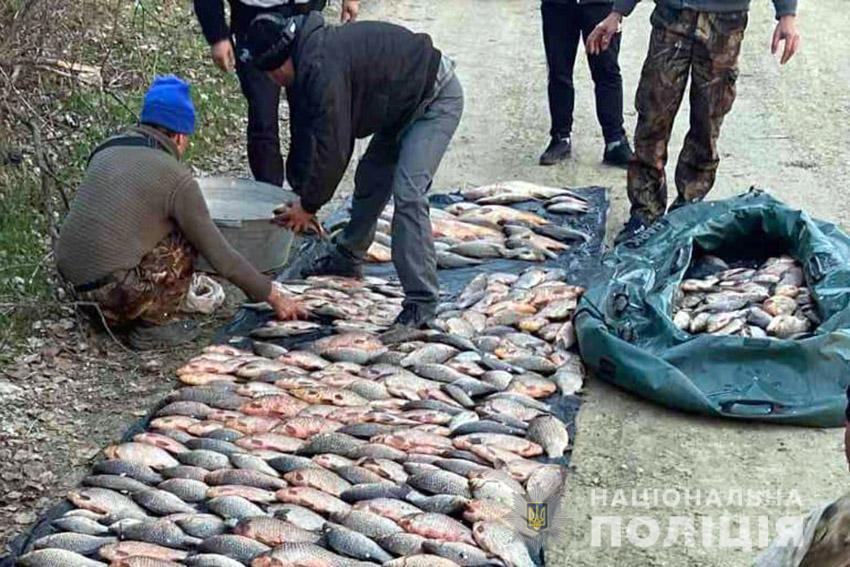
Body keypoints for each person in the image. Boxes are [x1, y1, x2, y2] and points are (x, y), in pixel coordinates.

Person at [243, 12, 463, 330]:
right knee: (371, 179)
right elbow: (315, 135)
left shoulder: (319, 69)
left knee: (409, 194)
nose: (273, 81)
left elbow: (335, 145)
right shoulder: (308, 57)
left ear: (279, 64)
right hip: (399, 108)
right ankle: (347, 255)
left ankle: (422, 303)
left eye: (271, 74)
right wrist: (305, 195)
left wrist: (309, 205)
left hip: (434, 100)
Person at [56, 76, 305, 350]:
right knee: (184, 240)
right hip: (113, 297)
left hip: (73, 287)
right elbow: (220, 255)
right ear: (179, 136)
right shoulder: (175, 177)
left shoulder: (106, 148)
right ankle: (153, 325)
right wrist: (271, 294)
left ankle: (103, 313)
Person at [586, 0, 801, 242]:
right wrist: (617, 12)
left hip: (725, 24)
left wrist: (787, 14)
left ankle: (688, 211)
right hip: (671, 17)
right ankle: (645, 214)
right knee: (652, 117)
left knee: (707, 124)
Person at [194, 0, 360, 186]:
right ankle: (267, 195)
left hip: (304, 17)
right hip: (252, 20)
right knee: (262, 119)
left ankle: (302, 195)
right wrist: (216, 33)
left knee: (308, 113)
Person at [539, 0, 633, 168]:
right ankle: (560, 137)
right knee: (558, 71)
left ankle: (615, 141)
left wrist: (619, 10)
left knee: (607, 70)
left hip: (601, 5)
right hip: (558, 6)